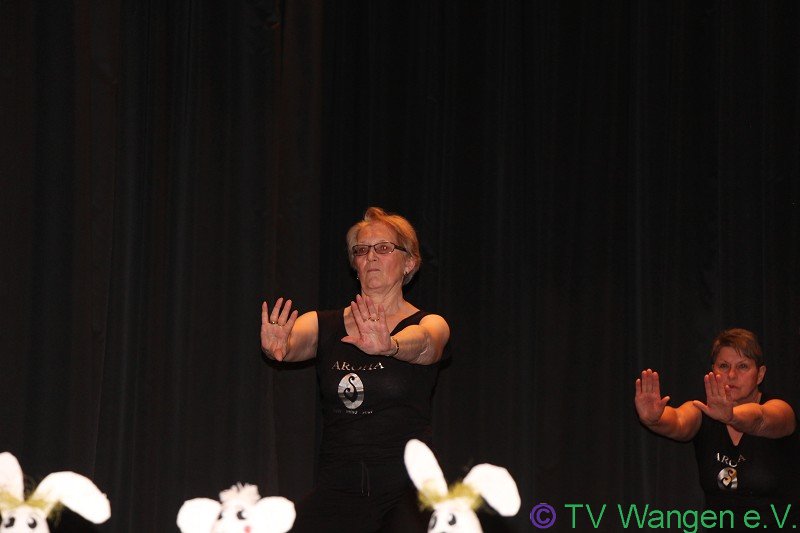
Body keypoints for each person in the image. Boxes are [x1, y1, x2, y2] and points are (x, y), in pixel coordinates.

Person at [261, 207, 451, 533]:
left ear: (409, 263)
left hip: (406, 489)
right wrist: (277, 346)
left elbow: (425, 345)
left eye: (384, 248)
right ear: (355, 265)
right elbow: (292, 343)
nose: (371, 256)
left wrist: (390, 345)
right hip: (339, 485)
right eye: (361, 250)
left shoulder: (429, 323)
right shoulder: (324, 324)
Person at [635, 328, 800, 530]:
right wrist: (654, 419)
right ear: (713, 371)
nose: (731, 375)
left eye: (742, 366)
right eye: (724, 366)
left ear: (760, 374)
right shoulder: (703, 411)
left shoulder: (781, 410)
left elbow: (759, 419)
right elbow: (678, 421)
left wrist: (731, 416)